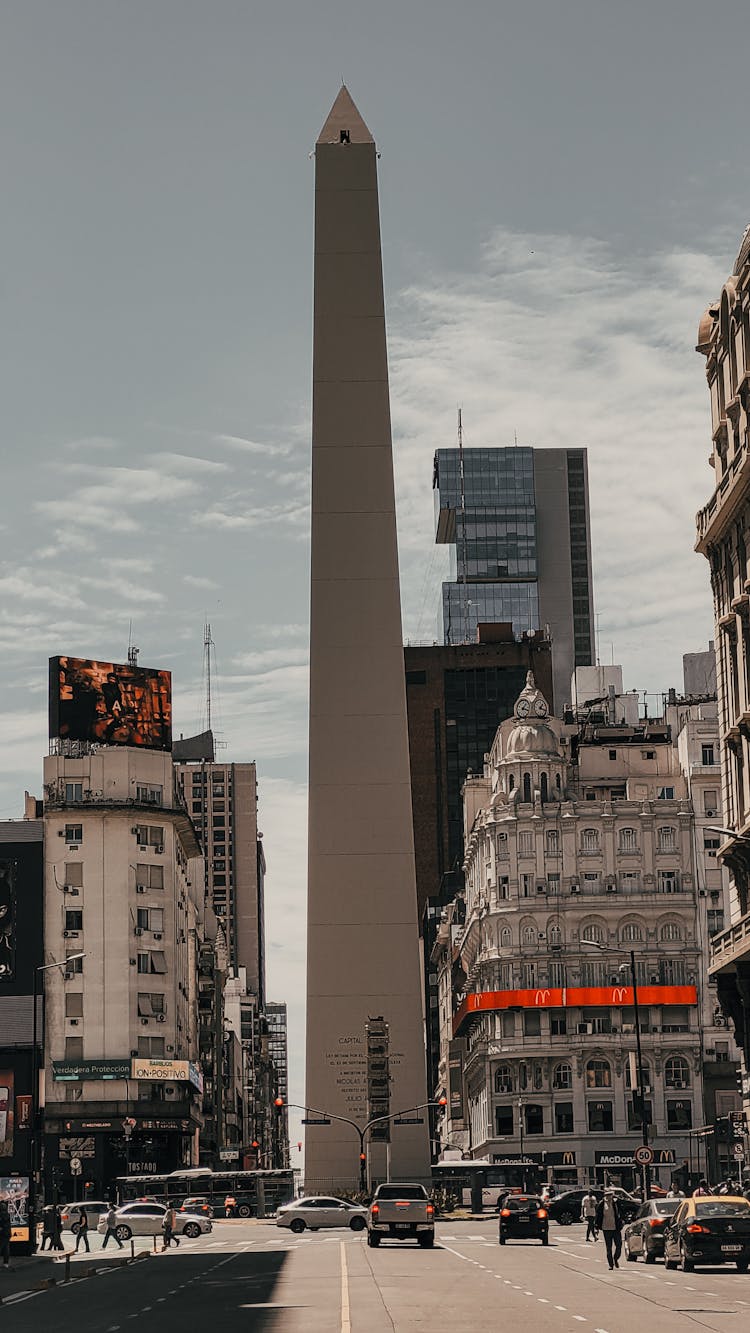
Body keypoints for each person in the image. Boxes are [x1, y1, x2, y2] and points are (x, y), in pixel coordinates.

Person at [595, 1188, 623, 1270]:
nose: (609, 1197)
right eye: (607, 1195)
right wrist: (596, 1227)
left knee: (619, 1245)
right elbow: (598, 1216)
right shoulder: (601, 1204)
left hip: (616, 1228)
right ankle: (611, 1264)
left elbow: (621, 1212)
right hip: (606, 1228)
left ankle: (616, 1258)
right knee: (609, 1247)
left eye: (610, 1195)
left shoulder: (616, 1203)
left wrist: (622, 1221)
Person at [0, 1201, 11, 1268]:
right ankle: (6, 1263)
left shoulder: (2, 1214)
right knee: (6, 1248)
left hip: (3, 1233)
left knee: (2, 1247)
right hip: (7, 1233)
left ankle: (6, 1263)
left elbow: (3, 1224)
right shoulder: (7, 1214)